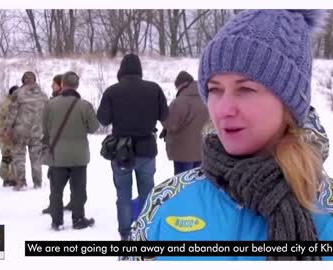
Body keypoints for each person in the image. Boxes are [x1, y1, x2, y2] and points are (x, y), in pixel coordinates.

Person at [125, 10, 333, 261]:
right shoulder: (168, 199)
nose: (224, 109)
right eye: (215, 90)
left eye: (246, 89)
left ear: (289, 103)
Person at [97, 53, 169, 240]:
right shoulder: (154, 89)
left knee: (123, 195)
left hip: (122, 151)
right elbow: (165, 116)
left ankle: (125, 234)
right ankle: (147, 230)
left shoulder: (112, 91)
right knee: (147, 192)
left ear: (121, 70)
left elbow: (102, 119)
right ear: (140, 70)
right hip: (147, 149)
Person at [42, 71, 99, 230]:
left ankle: (56, 221)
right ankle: (78, 219)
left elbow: (44, 129)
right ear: (77, 85)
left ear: (63, 84)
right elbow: (94, 127)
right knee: (78, 189)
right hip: (79, 156)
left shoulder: (50, 105)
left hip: (57, 155)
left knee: (56, 190)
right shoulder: (84, 105)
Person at [3, 71, 49, 190]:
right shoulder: (44, 96)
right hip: (38, 131)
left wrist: (7, 129)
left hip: (20, 131)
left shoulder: (18, 94)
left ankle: (21, 182)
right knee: (36, 157)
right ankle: (38, 182)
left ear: (23, 81)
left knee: (18, 156)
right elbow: (47, 114)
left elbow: (12, 113)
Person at [161, 71, 210, 175]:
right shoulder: (206, 99)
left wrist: (163, 120)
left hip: (182, 153)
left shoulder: (180, 102)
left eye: (177, 87)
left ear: (183, 84)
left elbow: (170, 124)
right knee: (196, 183)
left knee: (182, 184)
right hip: (201, 151)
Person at [42, 74, 73, 214]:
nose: (51, 86)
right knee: (72, 176)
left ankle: (56, 205)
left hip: (58, 145)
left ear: (61, 85)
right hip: (70, 145)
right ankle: (72, 202)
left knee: (56, 177)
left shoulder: (55, 102)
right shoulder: (74, 99)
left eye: (53, 84)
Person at [0, 85, 19, 187]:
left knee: (7, 156)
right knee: (11, 155)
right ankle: (11, 178)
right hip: (6, 134)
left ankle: (7, 178)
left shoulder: (7, 101)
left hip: (4, 133)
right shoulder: (9, 104)